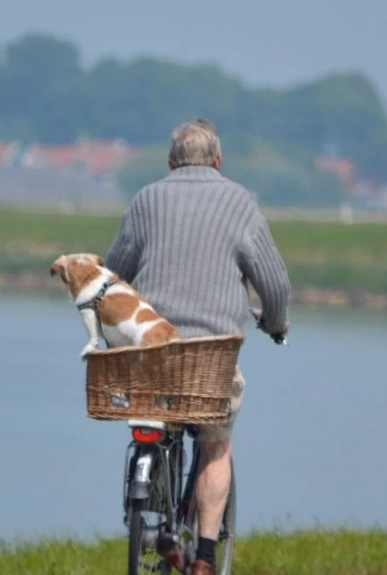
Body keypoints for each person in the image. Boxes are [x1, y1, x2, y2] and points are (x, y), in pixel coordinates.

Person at [105, 118, 291, 575]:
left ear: (170, 163)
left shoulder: (146, 199)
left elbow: (113, 276)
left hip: (151, 354)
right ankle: (206, 558)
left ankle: (155, 517)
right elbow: (274, 281)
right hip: (212, 358)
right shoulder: (240, 202)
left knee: (156, 418)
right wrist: (276, 322)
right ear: (218, 161)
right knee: (215, 445)